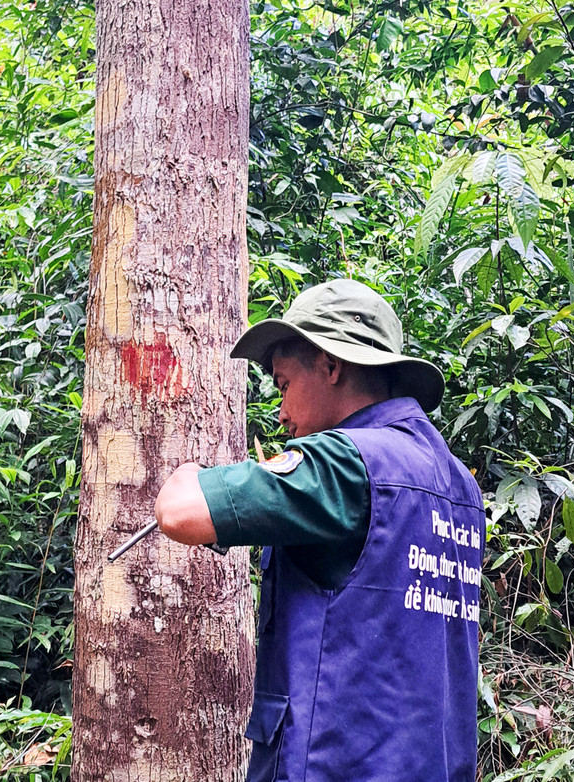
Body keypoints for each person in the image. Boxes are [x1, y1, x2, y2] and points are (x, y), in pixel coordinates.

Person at [153, 278, 484, 782]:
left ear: (332, 365)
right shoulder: (458, 484)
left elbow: (179, 512)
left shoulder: (344, 463)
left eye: (285, 385)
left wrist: (190, 474)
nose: (282, 413)